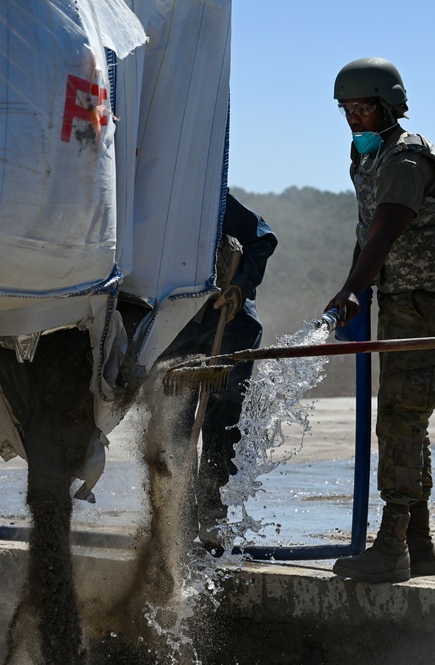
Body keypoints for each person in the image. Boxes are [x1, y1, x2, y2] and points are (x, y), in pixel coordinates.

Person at [324, 57, 435, 583]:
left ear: (388, 107)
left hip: (427, 299)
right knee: (410, 416)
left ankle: (391, 546)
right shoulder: (370, 157)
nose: (352, 118)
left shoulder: (406, 158)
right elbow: (367, 237)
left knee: (401, 416)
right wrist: (354, 290)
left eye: (361, 108)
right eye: (346, 109)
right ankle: (419, 544)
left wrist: (353, 289)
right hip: (401, 295)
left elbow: (386, 231)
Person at [160, 192, 277, 552]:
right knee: (173, 421)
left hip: (229, 317)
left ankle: (213, 514)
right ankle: (175, 518)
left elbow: (263, 237)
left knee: (221, 416)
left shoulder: (206, 194)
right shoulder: (141, 204)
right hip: (176, 324)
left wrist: (240, 286)